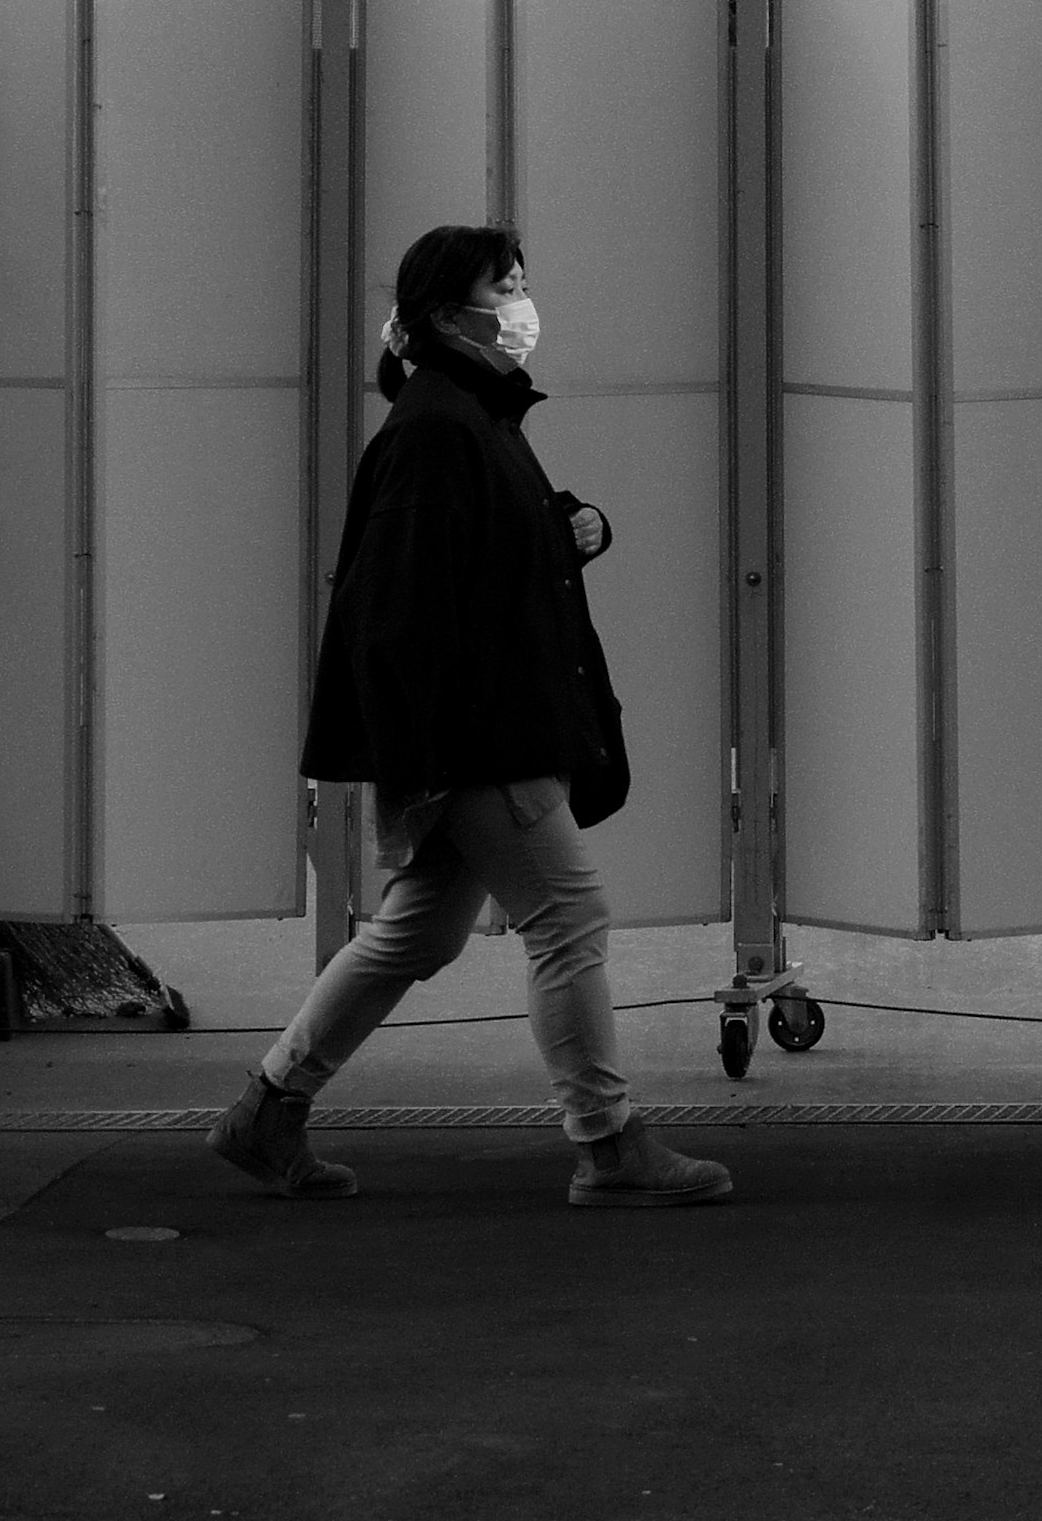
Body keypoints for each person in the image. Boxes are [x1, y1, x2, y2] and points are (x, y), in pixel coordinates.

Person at [208, 224, 735, 1206]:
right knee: (569, 914)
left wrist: (573, 526)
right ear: (450, 315)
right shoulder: (439, 430)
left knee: (418, 937)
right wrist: (425, 769)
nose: (525, 304)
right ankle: (608, 1142)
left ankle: (269, 1111)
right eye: (509, 285)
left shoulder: (467, 420)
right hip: (487, 738)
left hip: (482, 732)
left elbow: (475, 561)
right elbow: (398, 614)